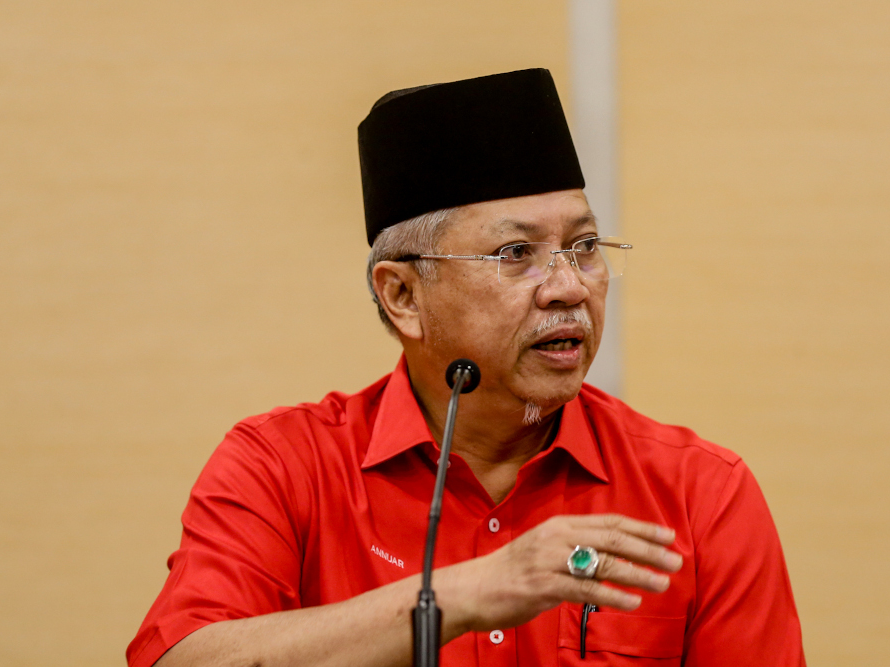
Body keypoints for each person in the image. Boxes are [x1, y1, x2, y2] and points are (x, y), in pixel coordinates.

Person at [128, 68, 805, 667]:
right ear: (403, 296)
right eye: (516, 254)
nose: (569, 286)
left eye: (585, 246)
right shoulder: (282, 468)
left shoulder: (696, 493)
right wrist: (463, 593)